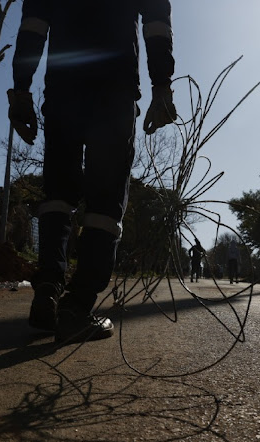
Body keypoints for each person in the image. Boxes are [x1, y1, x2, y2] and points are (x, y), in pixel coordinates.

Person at [9, 0, 177, 342]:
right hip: (113, 92)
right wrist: (162, 83)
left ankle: (48, 289)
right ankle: (77, 307)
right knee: (105, 200)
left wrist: (21, 90)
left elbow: (33, 28)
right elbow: (156, 22)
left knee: (57, 192)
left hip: (62, 91)